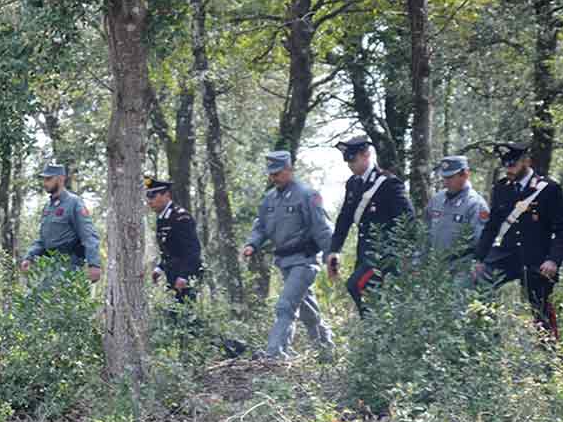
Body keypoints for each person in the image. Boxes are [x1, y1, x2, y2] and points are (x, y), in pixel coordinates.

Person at [243, 151, 334, 361]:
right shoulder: (270, 198)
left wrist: (331, 256)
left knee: (285, 306)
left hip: (305, 260)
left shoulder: (307, 195)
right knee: (306, 309)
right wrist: (252, 244)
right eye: (271, 174)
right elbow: (261, 226)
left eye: (277, 173)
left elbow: (322, 229)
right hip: (284, 262)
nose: (273, 178)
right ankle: (325, 347)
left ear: (289, 169)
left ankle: (275, 353)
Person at [145, 176, 245, 358]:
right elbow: (169, 250)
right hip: (173, 274)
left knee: (185, 317)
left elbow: (193, 251)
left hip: (187, 274)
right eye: (148, 196)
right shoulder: (162, 218)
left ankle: (229, 347)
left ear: (166, 195)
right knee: (179, 317)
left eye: (153, 196)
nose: (149, 201)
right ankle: (216, 349)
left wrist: (183, 276)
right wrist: (159, 269)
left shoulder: (180, 216)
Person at [474, 142, 563, 340]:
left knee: (540, 309)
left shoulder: (548, 188)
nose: (509, 170)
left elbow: (561, 229)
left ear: (527, 162)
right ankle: (487, 339)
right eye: (506, 166)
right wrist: (479, 259)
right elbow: (492, 226)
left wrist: (553, 260)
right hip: (508, 255)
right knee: (479, 280)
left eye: (513, 165)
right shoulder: (501, 188)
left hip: (537, 258)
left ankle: (551, 357)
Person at [326, 136, 414, 316]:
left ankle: (377, 330)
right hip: (364, 253)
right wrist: (335, 250)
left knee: (356, 286)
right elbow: (345, 218)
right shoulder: (353, 183)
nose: (349, 164)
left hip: (385, 254)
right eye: (347, 159)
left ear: (366, 154)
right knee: (371, 298)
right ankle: (375, 335)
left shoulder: (388, 182)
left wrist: (406, 253)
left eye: (353, 159)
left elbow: (408, 219)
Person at [21, 163, 101, 282]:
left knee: (62, 299)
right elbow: (43, 239)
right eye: (44, 179)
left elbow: (88, 235)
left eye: (49, 179)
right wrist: (30, 257)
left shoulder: (74, 203)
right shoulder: (48, 207)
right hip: (49, 266)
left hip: (69, 265)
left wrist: (94, 264)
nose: (45, 183)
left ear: (60, 179)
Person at [425, 155, 490, 261]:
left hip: (461, 268)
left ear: (465, 175)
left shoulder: (475, 204)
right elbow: (425, 232)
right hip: (434, 267)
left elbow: (480, 243)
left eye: (450, 177)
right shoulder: (436, 200)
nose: (446, 182)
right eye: (444, 177)